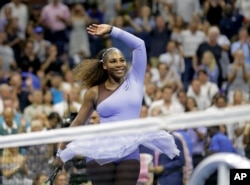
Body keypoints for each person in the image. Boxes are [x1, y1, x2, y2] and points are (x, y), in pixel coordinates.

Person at [54, 24, 179, 185]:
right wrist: (60, 153)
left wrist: (113, 31)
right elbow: (78, 122)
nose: (119, 64)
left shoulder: (135, 80)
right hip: (101, 150)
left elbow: (139, 45)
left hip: (129, 150)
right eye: (113, 61)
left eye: (121, 60)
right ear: (105, 66)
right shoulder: (93, 92)